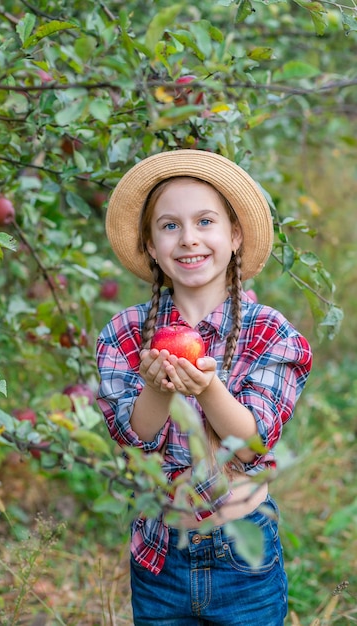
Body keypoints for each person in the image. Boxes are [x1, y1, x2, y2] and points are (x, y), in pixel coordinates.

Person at [95, 150, 313, 625]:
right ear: (151, 245)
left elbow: (252, 443)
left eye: (206, 221)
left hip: (243, 555)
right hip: (161, 554)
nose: (188, 238)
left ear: (234, 236)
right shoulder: (126, 333)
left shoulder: (269, 333)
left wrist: (208, 387)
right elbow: (134, 437)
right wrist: (161, 388)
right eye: (169, 226)